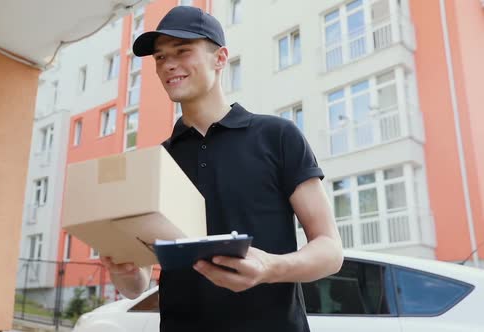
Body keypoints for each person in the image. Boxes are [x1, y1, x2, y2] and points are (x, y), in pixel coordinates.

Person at [99, 6, 343, 332]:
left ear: (220, 57)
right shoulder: (156, 162)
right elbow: (138, 285)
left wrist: (270, 267)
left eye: (182, 50)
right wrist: (125, 271)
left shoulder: (277, 137)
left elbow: (330, 250)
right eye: (159, 57)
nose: (168, 64)